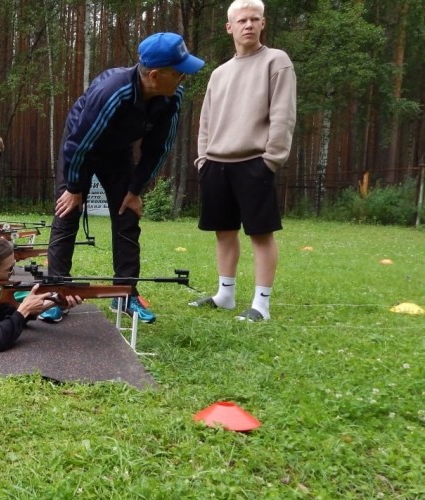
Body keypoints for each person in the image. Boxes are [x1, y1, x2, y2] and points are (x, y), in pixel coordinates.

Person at [40, 32, 205, 324]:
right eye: (179, 74)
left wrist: (135, 189)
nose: (184, 80)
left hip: (118, 153)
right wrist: (76, 189)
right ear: (155, 75)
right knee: (67, 211)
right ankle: (56, 293)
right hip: (80, 146)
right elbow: (80, 144)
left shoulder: (171, 96)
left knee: (127, 213)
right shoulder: (112, 92)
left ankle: (125, 294)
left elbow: (159, 147)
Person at [189, 0, 296, 322]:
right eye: (242, 20)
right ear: (229, 27)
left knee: (260, 233)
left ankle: (261, 305)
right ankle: (225, 295)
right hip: (215, 164)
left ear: (263, 24)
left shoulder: (277, 62)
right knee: (224, 231)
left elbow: (283, 115)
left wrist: (271, 159)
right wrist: (202, 159)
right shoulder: (219, 73)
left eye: (254, 19)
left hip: (254, 161)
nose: (248, 25)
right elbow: (205, 120)